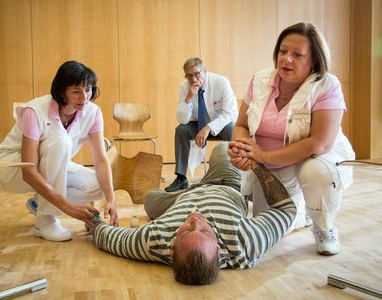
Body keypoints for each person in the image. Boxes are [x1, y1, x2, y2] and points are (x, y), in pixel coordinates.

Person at [88, 143, 296, 285]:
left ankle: (185, 187)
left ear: (171, 248)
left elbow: (109, 237)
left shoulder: (152, 241)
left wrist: (94, 221)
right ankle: (194, 183)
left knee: (150, 199)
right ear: (218, 251)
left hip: (181, 199)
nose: (196, 218)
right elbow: (287, 209)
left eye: (187, 230)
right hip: (223, 184)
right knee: (223, 148)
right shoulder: (247, 241)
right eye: (205, 232)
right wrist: (256, 165)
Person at [228, 22, 355, 256]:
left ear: (314, 60)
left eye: (297, 55)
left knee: (316, 172)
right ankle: (303, 214)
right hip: (266, 165)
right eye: (283, 51)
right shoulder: (260, 79)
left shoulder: (327, 86)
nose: (286, 59)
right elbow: (241, 125)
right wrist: (242, 149)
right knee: (268, 224)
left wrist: (263, 155)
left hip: (311, 159)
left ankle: (324, 228)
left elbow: (319, 142)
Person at [0, 61, 118, 242]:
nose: (84, 97)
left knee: (98, 185)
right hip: (12, 168)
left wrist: (111, 199)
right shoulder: (34, 110)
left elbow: (100, 158)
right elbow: (28, 171)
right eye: (76, 91)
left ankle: (39, 204)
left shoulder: (93, 112)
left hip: (49, 164)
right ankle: (45, 222)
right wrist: (69, 208)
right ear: (61, 91)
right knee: (59, 139)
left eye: (88, 89)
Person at [165, 57, 238, 192]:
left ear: (205, 71)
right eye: (189, 76)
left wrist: (208, 127)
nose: (193, 79)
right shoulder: (184, 87)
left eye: (197, 73)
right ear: (185, 76)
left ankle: (234, 175)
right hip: (197, 125)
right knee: (181, 130)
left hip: (220, 124)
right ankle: (181, 178)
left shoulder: (221, 82)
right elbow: (182, 119)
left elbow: (231, 113)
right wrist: (188, 98)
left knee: (231, 128)